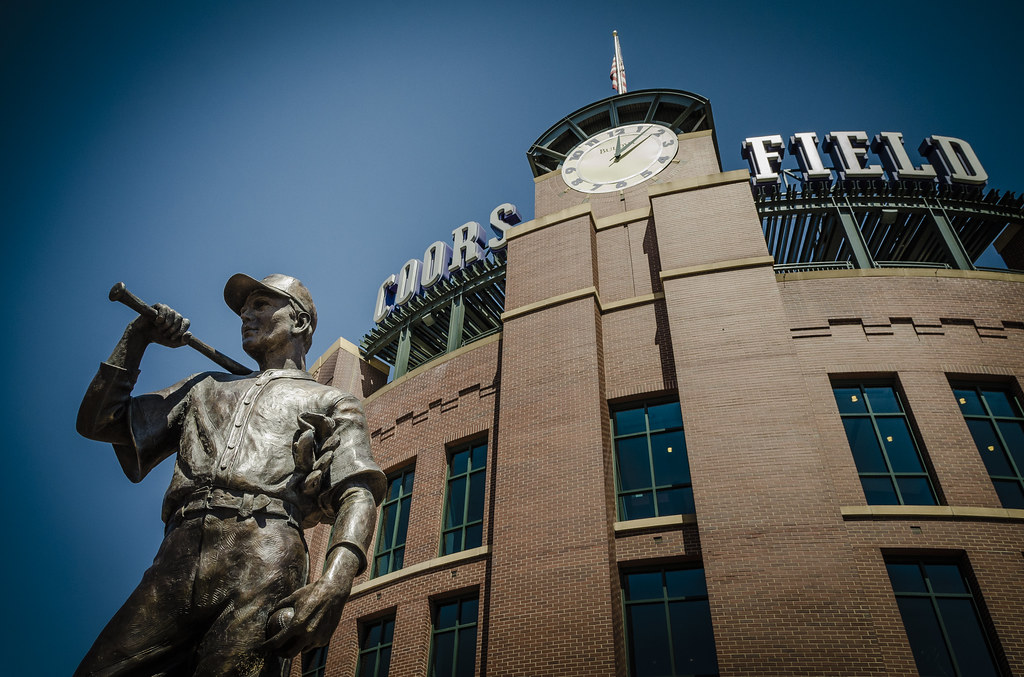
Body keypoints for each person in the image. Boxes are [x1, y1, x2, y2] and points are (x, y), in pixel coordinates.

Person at [75, 273, 385, 677]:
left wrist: (335, 581)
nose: (245, 316)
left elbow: (358, 490)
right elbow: (100, 422)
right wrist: (138, 337)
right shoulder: (205, 387)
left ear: (300, 322)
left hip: (266, 557)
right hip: (176, 558)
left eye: (260, 305)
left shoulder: (330, 401)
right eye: (243, 309)